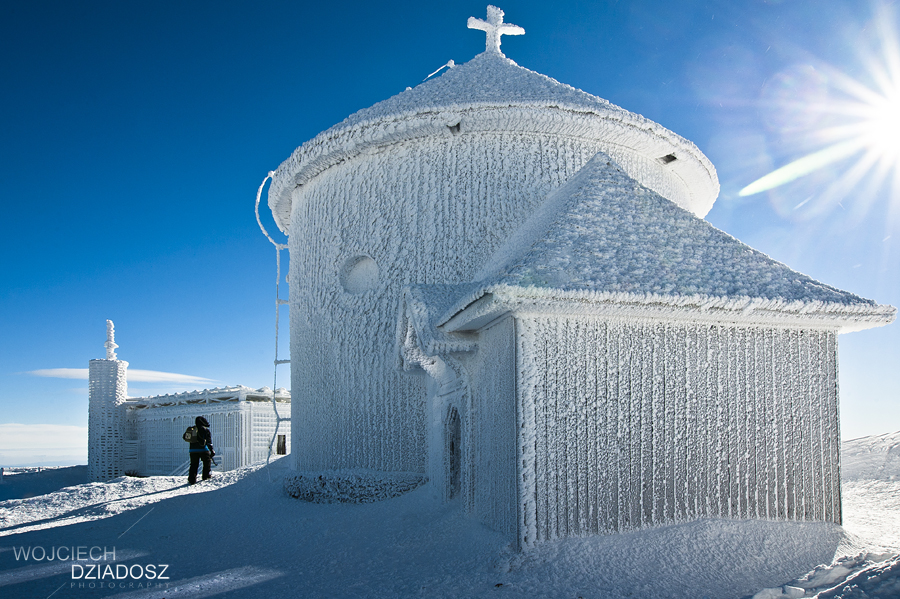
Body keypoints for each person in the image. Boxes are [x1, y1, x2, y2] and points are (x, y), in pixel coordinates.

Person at [188, 416, 215, 485]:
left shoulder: (193, 429)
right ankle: (206, 475)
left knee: (193, 464)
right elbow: (209, 442)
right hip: (203, 449)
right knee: (207, 461)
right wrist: (211, 450)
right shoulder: (205, 430)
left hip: (192, 450)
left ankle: (192, 479)